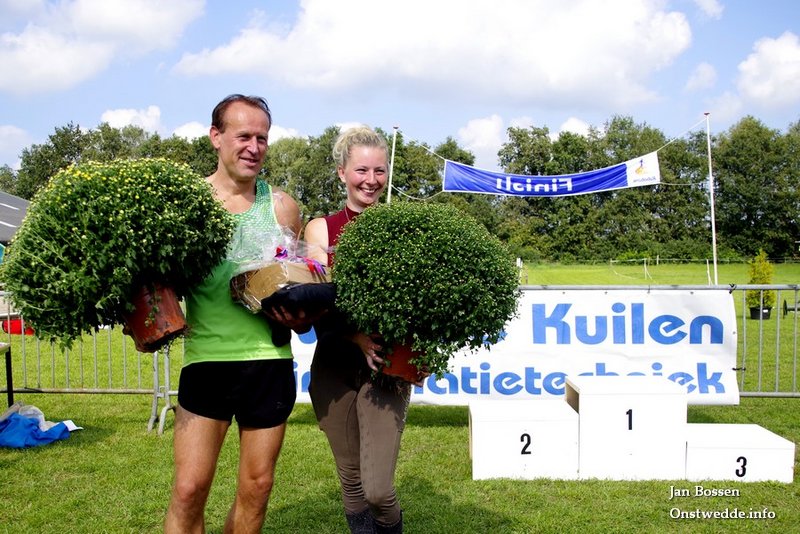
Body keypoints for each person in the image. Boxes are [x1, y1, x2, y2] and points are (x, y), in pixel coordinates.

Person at [164, 94, 306, 534]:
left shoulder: (282, 207)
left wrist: (299, 316)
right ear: (216, 136)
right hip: (206, 359)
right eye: (243, 136)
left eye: (262, 138)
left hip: (268, 361)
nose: (254, 147)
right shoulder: (188, 205)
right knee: (188, 489)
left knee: (257, 487)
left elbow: (295, 280)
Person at [303, 126, 410, 534]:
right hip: (334, 364)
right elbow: (316, 298)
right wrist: (355, 337)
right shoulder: (321, 229)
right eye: (362, 170)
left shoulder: (405, 228)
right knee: (351, 482)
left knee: (378, 489)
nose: (371, 180)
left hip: (386, 365)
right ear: (342, 173)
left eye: (379, 170)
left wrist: (424, 350)